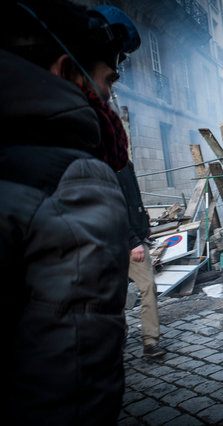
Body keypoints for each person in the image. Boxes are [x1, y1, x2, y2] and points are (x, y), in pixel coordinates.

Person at [0, 0, 140, 423]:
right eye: (108, 80)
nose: (112, 97)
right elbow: (73, 377)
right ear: (65, 71)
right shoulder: (76, 180)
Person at [117, 160, 167, 358]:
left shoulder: (126, 164)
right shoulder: (101, 166)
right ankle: (118, 337)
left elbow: (134, 198)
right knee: (115, 295)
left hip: (135, 238)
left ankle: (150, 342)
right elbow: (114, 208)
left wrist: (144, 222)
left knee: (148, 288)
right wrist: (132, 241)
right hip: (114, 242)